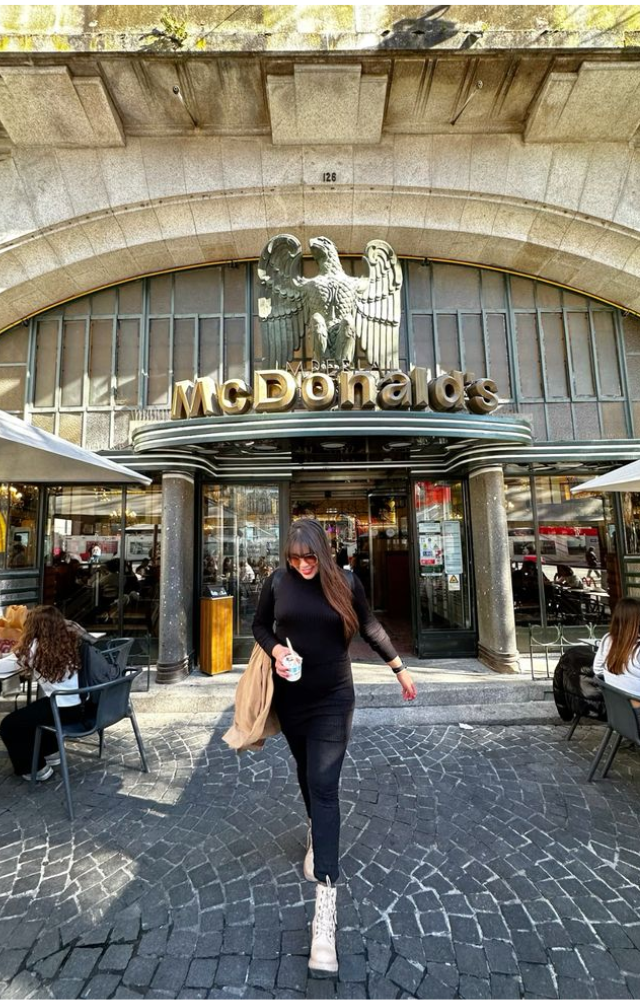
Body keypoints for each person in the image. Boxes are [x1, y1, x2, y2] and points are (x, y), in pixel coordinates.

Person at [252, 517, 417, 977]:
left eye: (309, 558)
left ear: (323, 553)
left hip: (333, 699)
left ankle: (324, 912)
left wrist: (399, 668)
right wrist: (276, 651)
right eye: (295, 559)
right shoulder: (277, 582)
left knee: (325, 786)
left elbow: (370, 626)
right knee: (306, 772)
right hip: (291, 699)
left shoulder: (346, 582)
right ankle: (313, 829)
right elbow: (260, 626)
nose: (303, 566)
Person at [0, 606, 86, 782]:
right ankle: (51, 752)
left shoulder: (34, 649)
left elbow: (4, 668)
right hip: (81, 704)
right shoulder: (69, 640)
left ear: (34, 627)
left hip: (60, 709)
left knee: (9, 725)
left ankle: (37, 769)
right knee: (36, 709)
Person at [593, 597, 640, 716]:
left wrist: (618, 680)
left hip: (617, 711)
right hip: (637, 712)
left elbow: (597, 670)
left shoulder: (608, 639)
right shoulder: (637, 649)